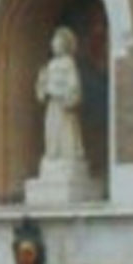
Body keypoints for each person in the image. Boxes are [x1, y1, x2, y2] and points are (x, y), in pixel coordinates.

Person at [35, 28, 85, 168]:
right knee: (51, 129)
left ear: (65, 45)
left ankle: (67, 155)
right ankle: (53, 153)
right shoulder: (50, 65)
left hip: (63, 106)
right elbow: (42, 90)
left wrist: (62, 94)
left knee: (66, 132)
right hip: (53, 106)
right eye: (54, 43)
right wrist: (42, 83)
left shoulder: (69, 63)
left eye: (58, 43)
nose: (55, 46)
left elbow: (74, 86)